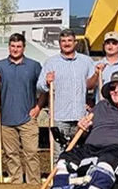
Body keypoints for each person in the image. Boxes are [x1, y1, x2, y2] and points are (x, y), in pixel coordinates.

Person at [0, 33, 42, 183]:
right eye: (12, 46)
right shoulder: (0, 66)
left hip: (28, 118)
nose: (15, 49)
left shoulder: (34, 66)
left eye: (18, 46)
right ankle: (16, 183)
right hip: (6, 118)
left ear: (24, 47)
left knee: (31, 153)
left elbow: (44, 89)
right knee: (11, 154)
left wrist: (38, 107)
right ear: (9, 47)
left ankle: (33, 183)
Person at [37, 28, 97, 156]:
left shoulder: (86, 61)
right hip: (59, 118)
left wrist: (97, 74)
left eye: (70, 40)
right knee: (58, 155)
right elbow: (40, 87)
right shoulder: (51, 63)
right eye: (63, 41)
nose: (67, 43)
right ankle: (58, 170)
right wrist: (47, 82)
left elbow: (91, 85)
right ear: (59, 43)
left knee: (81, 154)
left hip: (80, 117)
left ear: (75, 42)